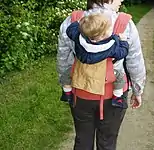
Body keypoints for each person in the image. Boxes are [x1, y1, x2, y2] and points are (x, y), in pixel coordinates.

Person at [57, 0, 146, 149]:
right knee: (107, 142)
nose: (122, 0)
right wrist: (138, 90)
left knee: (82, 139)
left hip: (81, 94)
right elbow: (135, 63)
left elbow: (63, 60)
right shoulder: (125, 24)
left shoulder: (72, 21)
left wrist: (66, 85)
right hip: (113, 96)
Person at [61, 13, 129, 109]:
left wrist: (79, 23)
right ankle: (117, 97)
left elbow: (70, 30)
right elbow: (122, 53)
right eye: (109, 29)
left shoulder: (79, 38)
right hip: (103, 73)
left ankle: (67, 92)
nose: (111, 29)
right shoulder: (110, 47)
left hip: (82, 67)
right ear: (101, 36)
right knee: (119, 77)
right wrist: (123, 41)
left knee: (67, 74)